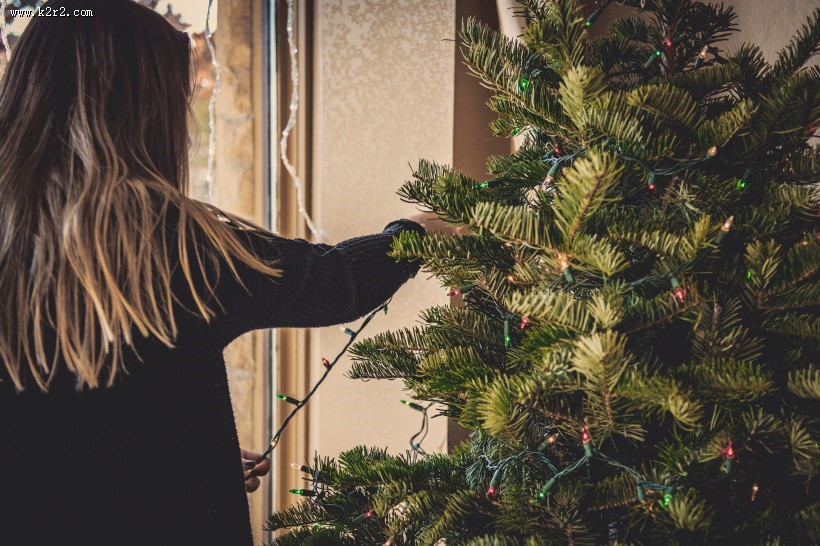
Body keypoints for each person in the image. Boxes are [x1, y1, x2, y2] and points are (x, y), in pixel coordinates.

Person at [0, 0, 467, 544]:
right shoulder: (168, 239)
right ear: (143, 108)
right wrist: (418, 229)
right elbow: (337, 283)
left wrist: (187, 451)